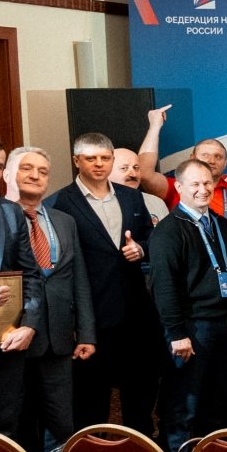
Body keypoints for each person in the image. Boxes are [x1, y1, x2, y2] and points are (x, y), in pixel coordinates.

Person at [48, 130, 162, 434]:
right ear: (76, 161)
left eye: (105, 158)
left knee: (140, 395)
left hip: (136, 313)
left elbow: (151, 237)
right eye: (91, 158)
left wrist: (141, 248)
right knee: (91, 401)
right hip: (92, 317)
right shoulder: (60, 203)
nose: (99, 164)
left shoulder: (131, 196)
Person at [147, 158, 227, 452]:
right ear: (179, 187)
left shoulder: (219, 224)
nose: (203, 189)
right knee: (184, 401)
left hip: (224, 323)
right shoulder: (167, 232)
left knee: (220, 399)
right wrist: (177, 333)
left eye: (207, 183)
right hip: (191, 327)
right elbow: (164, 288)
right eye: (195, 184)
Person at [3, 146, 95, 452]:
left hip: (58, 338)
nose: (36, 176)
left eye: (43, 171)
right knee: (16, 421)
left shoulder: (64, 221)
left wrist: (86, 332)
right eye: (27, 168)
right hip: (10, 336)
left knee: (61, 422)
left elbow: (79, 279)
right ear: (7, 174)